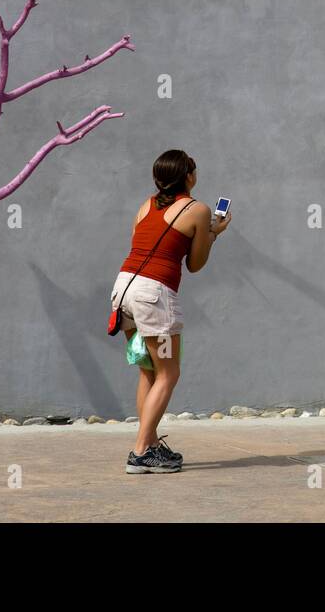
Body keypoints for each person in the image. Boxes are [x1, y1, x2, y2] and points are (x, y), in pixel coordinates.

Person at [111, 149, 231, 473]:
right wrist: (214, 234)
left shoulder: (144, 206)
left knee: (148, 370)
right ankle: (140, 452)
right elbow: (195, 264)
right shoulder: (198, 210)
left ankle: (149, 445)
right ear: (189, 176)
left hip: (124, 290)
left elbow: (142, 246)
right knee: (169, 372)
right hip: (154, 296)